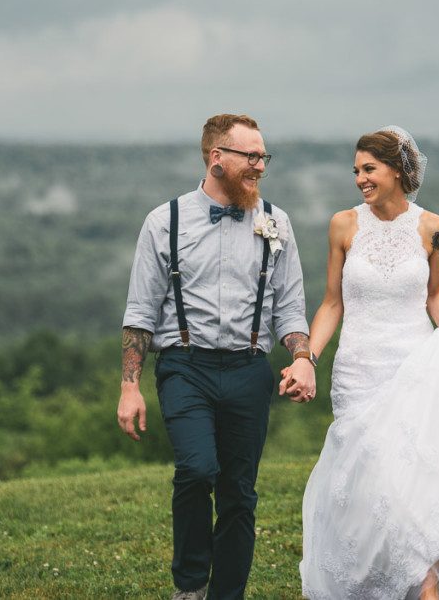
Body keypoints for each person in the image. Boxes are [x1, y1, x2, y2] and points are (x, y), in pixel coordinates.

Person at [296, 126, 439, 600]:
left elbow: (435, 295)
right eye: (356, 170)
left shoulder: (433, 227)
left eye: (369, 169)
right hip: (358, 372)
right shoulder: (343, 225)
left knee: (414, 484)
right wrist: (308, 357)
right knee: (374, 485)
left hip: (415, 369)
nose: (359, 178)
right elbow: (332, 303)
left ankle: (426, 589)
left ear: (397, 171)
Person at [117, 114, 317, 600]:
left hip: (249, 370)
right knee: (197, 469)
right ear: (216, 158)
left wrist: (304, 356)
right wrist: (129, 386)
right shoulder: (164, 221)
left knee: (239, 497)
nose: (259, 166)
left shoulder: (277, 221)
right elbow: (141, 311)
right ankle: (189, 587)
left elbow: (289, 306)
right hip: (186, 367)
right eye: (251, 156)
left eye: (263, 156)